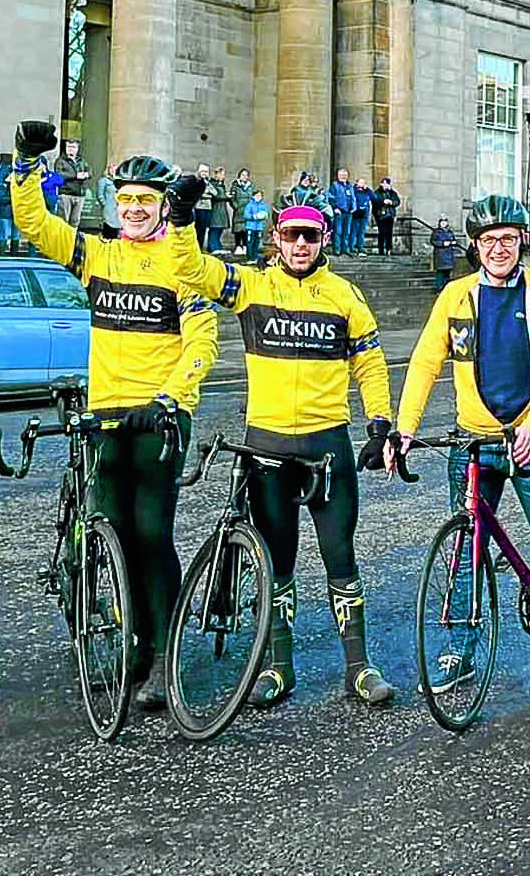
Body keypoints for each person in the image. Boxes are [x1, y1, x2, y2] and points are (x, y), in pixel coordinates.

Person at [164, 177, 399, 706]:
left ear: (324, 242)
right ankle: (277, 667)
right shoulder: (251, 286)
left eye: (310, 238)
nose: (299, 246)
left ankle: (359, 669)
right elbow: (190, 270)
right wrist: (180, 219)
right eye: (291, 236)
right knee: (278, 562)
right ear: (276, 237)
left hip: (326, 447)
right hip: (267, 448)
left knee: (341, 557)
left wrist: (378, 423)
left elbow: (370, 364)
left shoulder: (344, 296)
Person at [10, 121, 219, 712]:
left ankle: (162, 653)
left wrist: (172, 398)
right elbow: (33, 224)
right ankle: (129, 641)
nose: (132, 209)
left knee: (152, 534)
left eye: (144, 201)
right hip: (104, 416)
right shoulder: (96, 254)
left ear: (161, 208)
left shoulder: (183, 264)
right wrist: (27, 165)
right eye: (124, 200)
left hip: (158, 418)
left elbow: (203, 341)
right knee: (114, 536)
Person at [393, 194, 530, 711]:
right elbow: (423, 363)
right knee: (466, 552)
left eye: (508, 238)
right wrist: (405, 430)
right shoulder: (456, 297)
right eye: (488, 240)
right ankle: (459, 652)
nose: (498, 247)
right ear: (474, 246)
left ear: (522, 240)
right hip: (473, 440)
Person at [54, 139, 89, 227]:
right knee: (63, 220)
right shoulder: (60, 161)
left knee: (75, 220)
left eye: (73, 147)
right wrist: (76, 175)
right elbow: (59, 174)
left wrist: (86, 175)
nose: (71, 149)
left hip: (79, 194)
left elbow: (89, 172)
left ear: (77, 148)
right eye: (68, 147)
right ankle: (62, 240)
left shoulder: (82, 161)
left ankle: (72, 239)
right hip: (66, 193)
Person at [328, 169, 357, 256]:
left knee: (346, 232)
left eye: (345, 175)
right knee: (338, 231)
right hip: (339, 212)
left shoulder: (350, 186)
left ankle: (345, 249)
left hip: (348, 212)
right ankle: (337, 249)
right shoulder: (334, 185)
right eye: (341, 175)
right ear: (338, 176)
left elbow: (353, 197)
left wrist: (354, 207)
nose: (343, 177)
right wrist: (335, 207)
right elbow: (330, 197)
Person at [228, 168, 254, 253]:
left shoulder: (250, 186)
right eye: (243, 175)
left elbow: (253, 197)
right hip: (239, 211)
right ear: (239, 176)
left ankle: (246, 246)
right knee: (238, 230)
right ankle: (238, 246)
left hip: (248, 211)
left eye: (246, 175)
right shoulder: (235, 186)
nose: (245, 177)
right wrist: (236, 207)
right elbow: (232, 198)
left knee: (246, 230)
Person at [430, 215, 459, 289]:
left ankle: (446, 287)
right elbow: (433, 241)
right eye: (442, 222)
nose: (443, 223)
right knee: (440, 273)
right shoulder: (436, 232)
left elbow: (454, 240)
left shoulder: (450, 232)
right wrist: (443, 243)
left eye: (445, 222)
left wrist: (453, 242)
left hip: (449, 254)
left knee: (447, 273)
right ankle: (439, 287)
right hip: (440, 255)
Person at [374, 176, 401, 255]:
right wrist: (383, 201)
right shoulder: (378, 192)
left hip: (390, 215)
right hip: (381, 215)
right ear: (382, 184)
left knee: (389, 233)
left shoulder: (393, 193)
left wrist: (392, 202)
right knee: (382, 232)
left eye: (388, 184)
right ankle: (381, 249)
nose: (386, 186)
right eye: (385, 184)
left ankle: (388, 249)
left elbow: (397, 201)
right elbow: (375, 201)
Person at [243, 189, 270, 261]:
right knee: (250, 242)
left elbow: (266, 213)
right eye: (257, 195)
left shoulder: (263, 205)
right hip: (250, 227)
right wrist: (254, 216)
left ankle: (255, 256)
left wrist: (264, 215)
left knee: (257, 242)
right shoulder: (249, 205)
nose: (259, 197)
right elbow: (246, 215)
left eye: (260, 196)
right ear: (253, 196)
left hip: (259, 227)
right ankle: (250, 257)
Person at [95, 173, 122, 240]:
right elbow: (100, 195)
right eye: (112, 168)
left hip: (118, 209)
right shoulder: (104, 180)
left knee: (117, 230)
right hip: (109, 209)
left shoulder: (120, 181)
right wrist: (105, 205)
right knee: (109, 229)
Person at [352, 179, 373, 255]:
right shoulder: (353, 191)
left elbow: (374, 197)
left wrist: (367, 189)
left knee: (362, 232)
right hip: (356, 213)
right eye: (361, 182)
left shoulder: (366, 191)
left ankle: (360, 248)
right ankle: (352, 248)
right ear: (357, 183)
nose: (362, 184)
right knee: (354, 231)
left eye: (364, 182)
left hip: (364, 214)